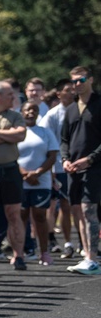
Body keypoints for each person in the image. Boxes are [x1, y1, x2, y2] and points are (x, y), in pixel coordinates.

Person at [0, 80, 29, 270]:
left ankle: (18, 256)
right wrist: (5, 135)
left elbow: (20, 135)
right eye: (10, 94)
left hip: (11, 170)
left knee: (14, 213)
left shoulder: (15, 116)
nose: (14, 97)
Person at [61, 66, 101, 275]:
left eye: (81, 79)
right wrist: (65, 159)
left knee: (89, 211)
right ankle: (86, 255)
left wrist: (90, 159)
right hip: (72, 169)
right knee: (77, 211)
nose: (77, 84)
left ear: (91, 79)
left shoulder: (99, 105)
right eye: (74, 81)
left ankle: (93, 257)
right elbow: (64, 139)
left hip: (94, 168)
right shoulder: (69, 109)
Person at [16, 100, 59, 266]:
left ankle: (44, 252)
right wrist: (25, 175)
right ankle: (21, 252)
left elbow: (52, 156)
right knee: (21, 217)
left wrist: (37, 173)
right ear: (21, 112)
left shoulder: (45, 132)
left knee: (40, 216)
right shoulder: (17, 133)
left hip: (42, 182)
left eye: (34, 110)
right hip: (20, 181)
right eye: (27, 110)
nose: (30, 113)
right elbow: (11, 155)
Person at [40, 78, 78, 257]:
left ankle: (75, 242)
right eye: (68, 90)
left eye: (73, 90)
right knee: (57, 204)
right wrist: (51, 170)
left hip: (78, 166)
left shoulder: (81, 111)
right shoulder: (52, 115)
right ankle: (57, 241)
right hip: (58, 168)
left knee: (74, 205)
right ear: (58, 94)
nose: (72, 93)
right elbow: (47, 144)